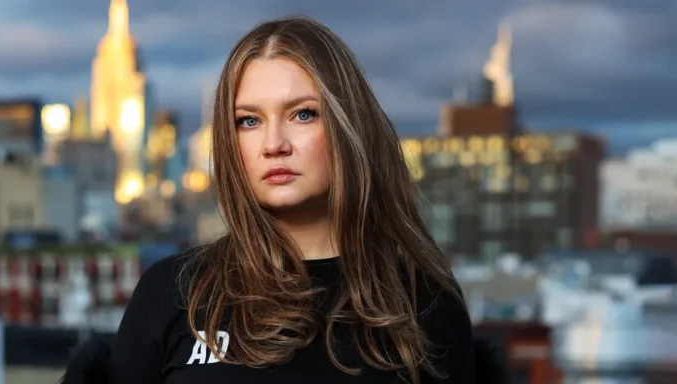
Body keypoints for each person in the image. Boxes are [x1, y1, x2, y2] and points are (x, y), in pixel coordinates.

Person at [111, 16, 475, 383]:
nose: (274, 145)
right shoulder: (173, 293)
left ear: (347, 125)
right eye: (249, 121)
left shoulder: (425, 301)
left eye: (303, 114)